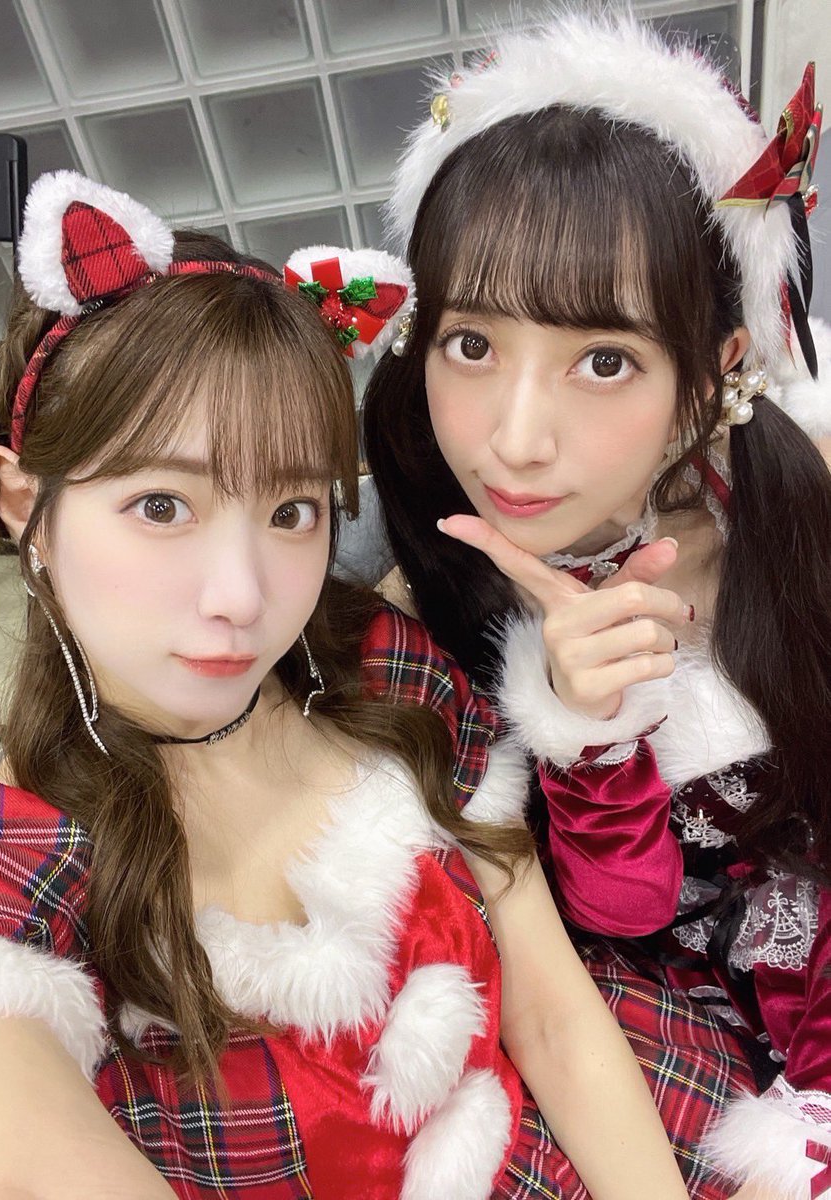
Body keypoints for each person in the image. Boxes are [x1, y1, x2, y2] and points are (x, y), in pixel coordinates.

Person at [0, 170, 703, 1200]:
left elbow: (554, 1017)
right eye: (162, 505)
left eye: (291, 511)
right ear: (25, 500)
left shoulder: (380, 667)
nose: (242, 597)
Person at [362, 11, 831, 1199]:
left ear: (718, 368)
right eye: (471, 344)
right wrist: (589, 728)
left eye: (604, 360)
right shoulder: (419, 586)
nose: (515, 440)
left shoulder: (794, 501)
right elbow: (617, 915)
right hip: (673, 1025)